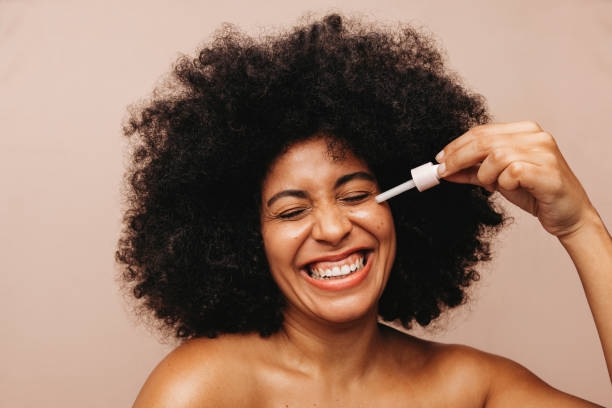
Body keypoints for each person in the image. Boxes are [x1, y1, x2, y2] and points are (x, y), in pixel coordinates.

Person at [115, 13, 612, 406]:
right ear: (244, 240)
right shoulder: (202, 390)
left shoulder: (473, 389)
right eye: (291, 212)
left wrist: (579, 226)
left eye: (355, 196)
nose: (334, 228)